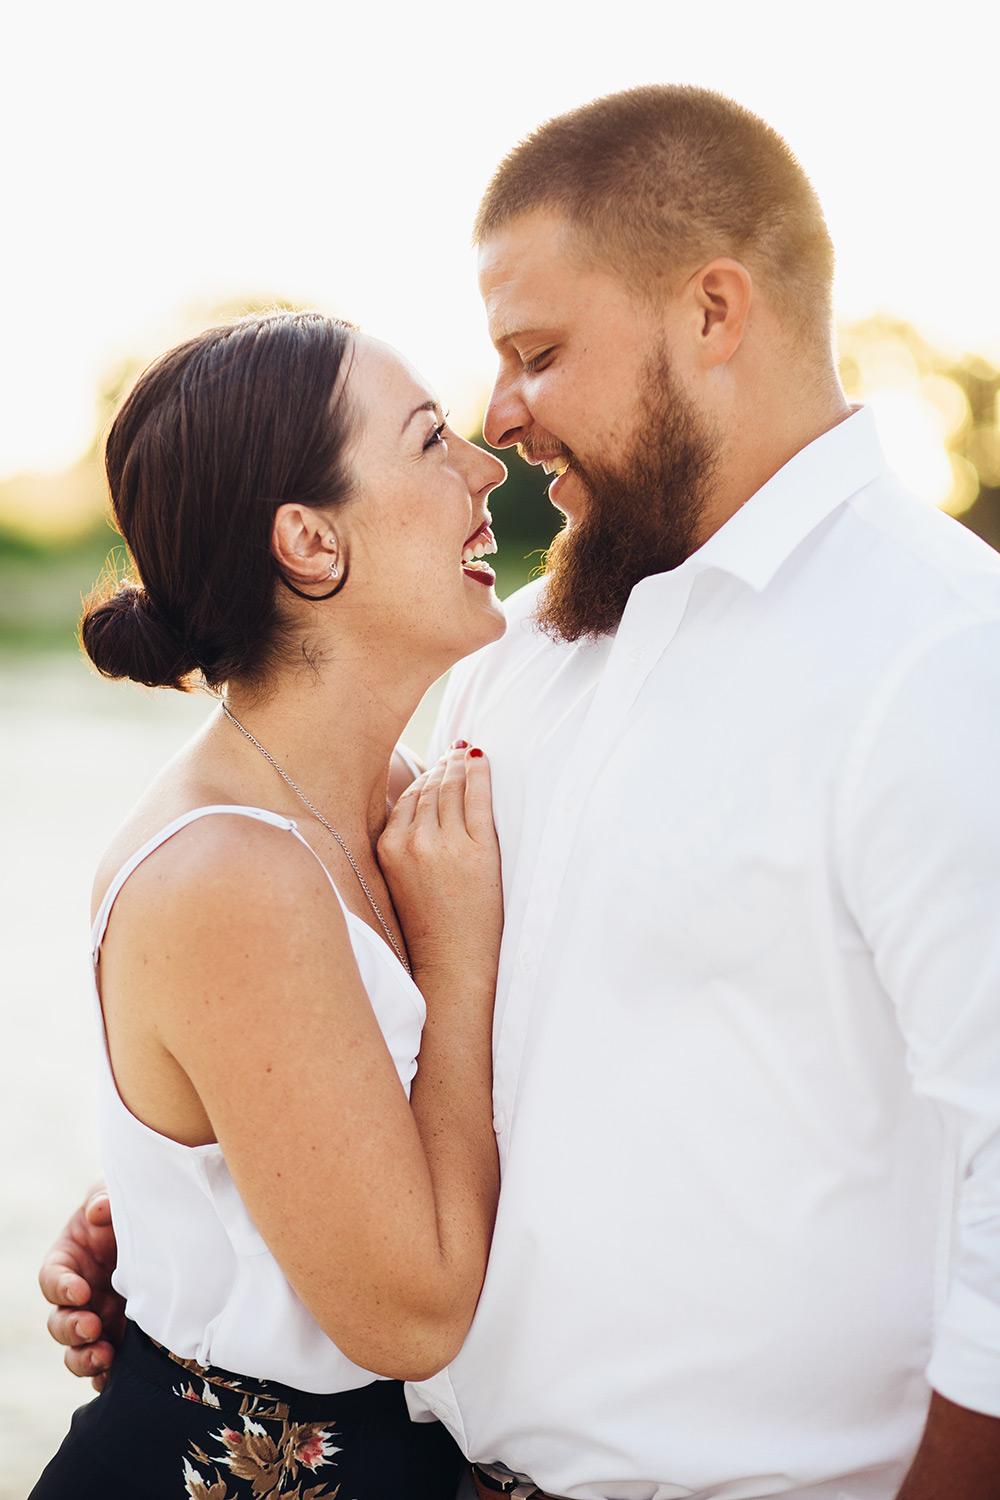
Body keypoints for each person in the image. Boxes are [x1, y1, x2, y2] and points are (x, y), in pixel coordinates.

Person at [42, 86, 1000, 1500]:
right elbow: (431, 1028)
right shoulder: (527, 652)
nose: (501, 422)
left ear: (714, 315)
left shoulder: (942, 655)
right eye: (465, 396)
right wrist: (213, 1219)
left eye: (537, 355)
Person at [30, 308, 509, 1499]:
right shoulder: (223, 876)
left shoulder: (401, 796)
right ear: (308, 541)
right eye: (431, 440)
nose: (487, 467)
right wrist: (456, 963)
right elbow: (413, 1317)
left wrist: (148, 1213)